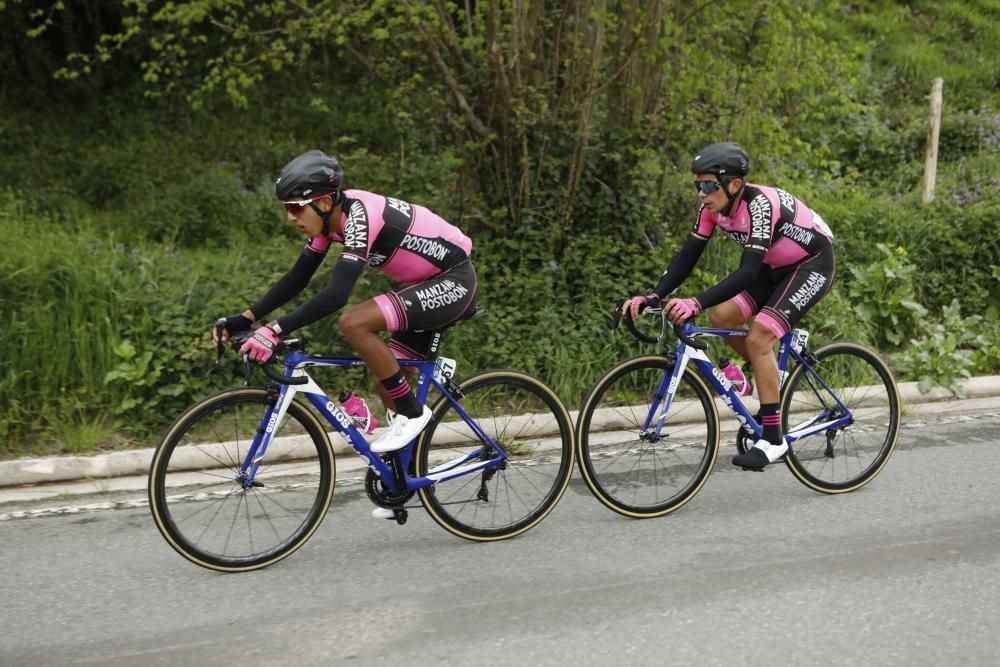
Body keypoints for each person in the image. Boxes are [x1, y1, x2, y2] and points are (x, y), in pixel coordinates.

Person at [214, 149, 477, 465]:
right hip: (422, 286)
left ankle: (413, 415)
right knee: (386, 381)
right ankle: (405, 476)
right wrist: (245, 318)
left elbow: (338, 294)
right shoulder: (330, 224)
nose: (290, 217)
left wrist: (274, 330)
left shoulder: (359, 216)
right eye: (287, 208)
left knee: (354, 322)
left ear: (324, 202)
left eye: (295, 208)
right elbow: (298, 278)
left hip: (453, 280)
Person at [623, 142, 835, 470]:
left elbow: (747, 272)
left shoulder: (759, 206)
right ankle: (762, 378)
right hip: (773, 267)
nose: (701, 193)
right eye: (698, 185)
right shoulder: (712, 209)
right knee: (721, 314)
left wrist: (694, 301)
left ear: (734, 184)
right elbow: (687, 257)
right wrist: (654, 295)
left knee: (759, 338)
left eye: (708, 185)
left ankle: (774, 440)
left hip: (810, 264)